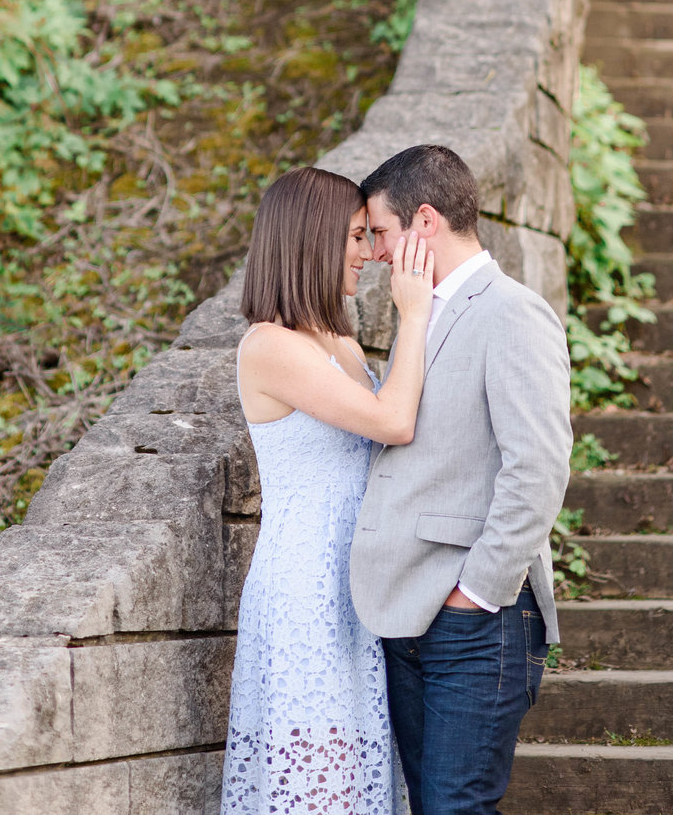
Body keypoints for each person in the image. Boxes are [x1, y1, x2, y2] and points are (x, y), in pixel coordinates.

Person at [351, 143, 572, 815]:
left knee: (454, 807)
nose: (377, 252)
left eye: (380, 232)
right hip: (407, 611)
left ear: (424, 222)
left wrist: (476, 591)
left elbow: (536, 467)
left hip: (477, 620)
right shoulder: (419, 311)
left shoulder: (510, 311)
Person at [222, 165, 435, 815]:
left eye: (371, 236)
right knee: (316, 784)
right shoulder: (271, 347)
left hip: (354, 590)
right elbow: (394, 421)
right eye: (354, 237)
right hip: (302, 594)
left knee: (360, 779)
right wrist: (416, 314)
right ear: (311, 240)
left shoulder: (340, 341)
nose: (369, 254)